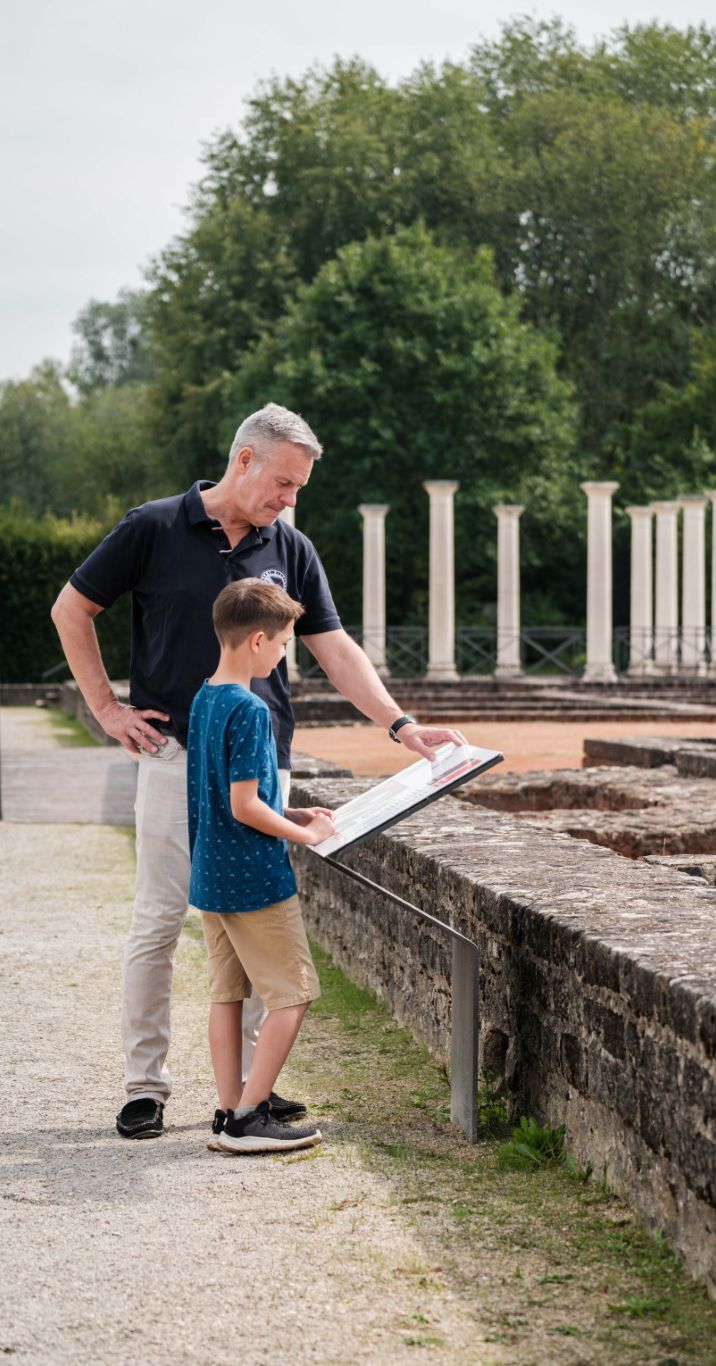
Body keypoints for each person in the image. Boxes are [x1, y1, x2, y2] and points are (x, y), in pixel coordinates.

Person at [51, 402, 467, 1139]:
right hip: (172, 757)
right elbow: (71, 609)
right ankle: (144, 1086)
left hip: (258, 764)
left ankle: (244, 1094)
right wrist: (106, 711)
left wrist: (400, 724)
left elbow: (334, 647)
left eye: (298, 488)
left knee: (241, 924)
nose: (289, 500)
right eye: (283, 483)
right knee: (157, 922)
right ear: (243, 460)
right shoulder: (152, 526)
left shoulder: (291, 545)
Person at [189, 578, 333, 1153]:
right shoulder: (250, 709)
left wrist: (292, 810)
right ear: (255, 640)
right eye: (282, 644)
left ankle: (229, 1109)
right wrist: (307, 832)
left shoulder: (205, 697)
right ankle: (250, 1118)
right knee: (292, 995)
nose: (282, 655)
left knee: (226, 996)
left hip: (212, 873)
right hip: (253, 877)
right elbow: (243, 805)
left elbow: (228, 792)